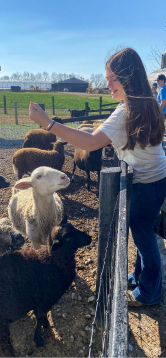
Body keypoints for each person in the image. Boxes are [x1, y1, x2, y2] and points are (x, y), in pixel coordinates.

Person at [28, 47, 166, 307]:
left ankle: (151, 292)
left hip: (147, 184)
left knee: (144, 238)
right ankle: (140, 277)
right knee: (143, 233)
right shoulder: (146, 103)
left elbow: (90, 142)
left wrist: (48, 123)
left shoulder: (126, 111)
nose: (108, 84)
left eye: (113, 78)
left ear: (128, 78)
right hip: (156, 179)